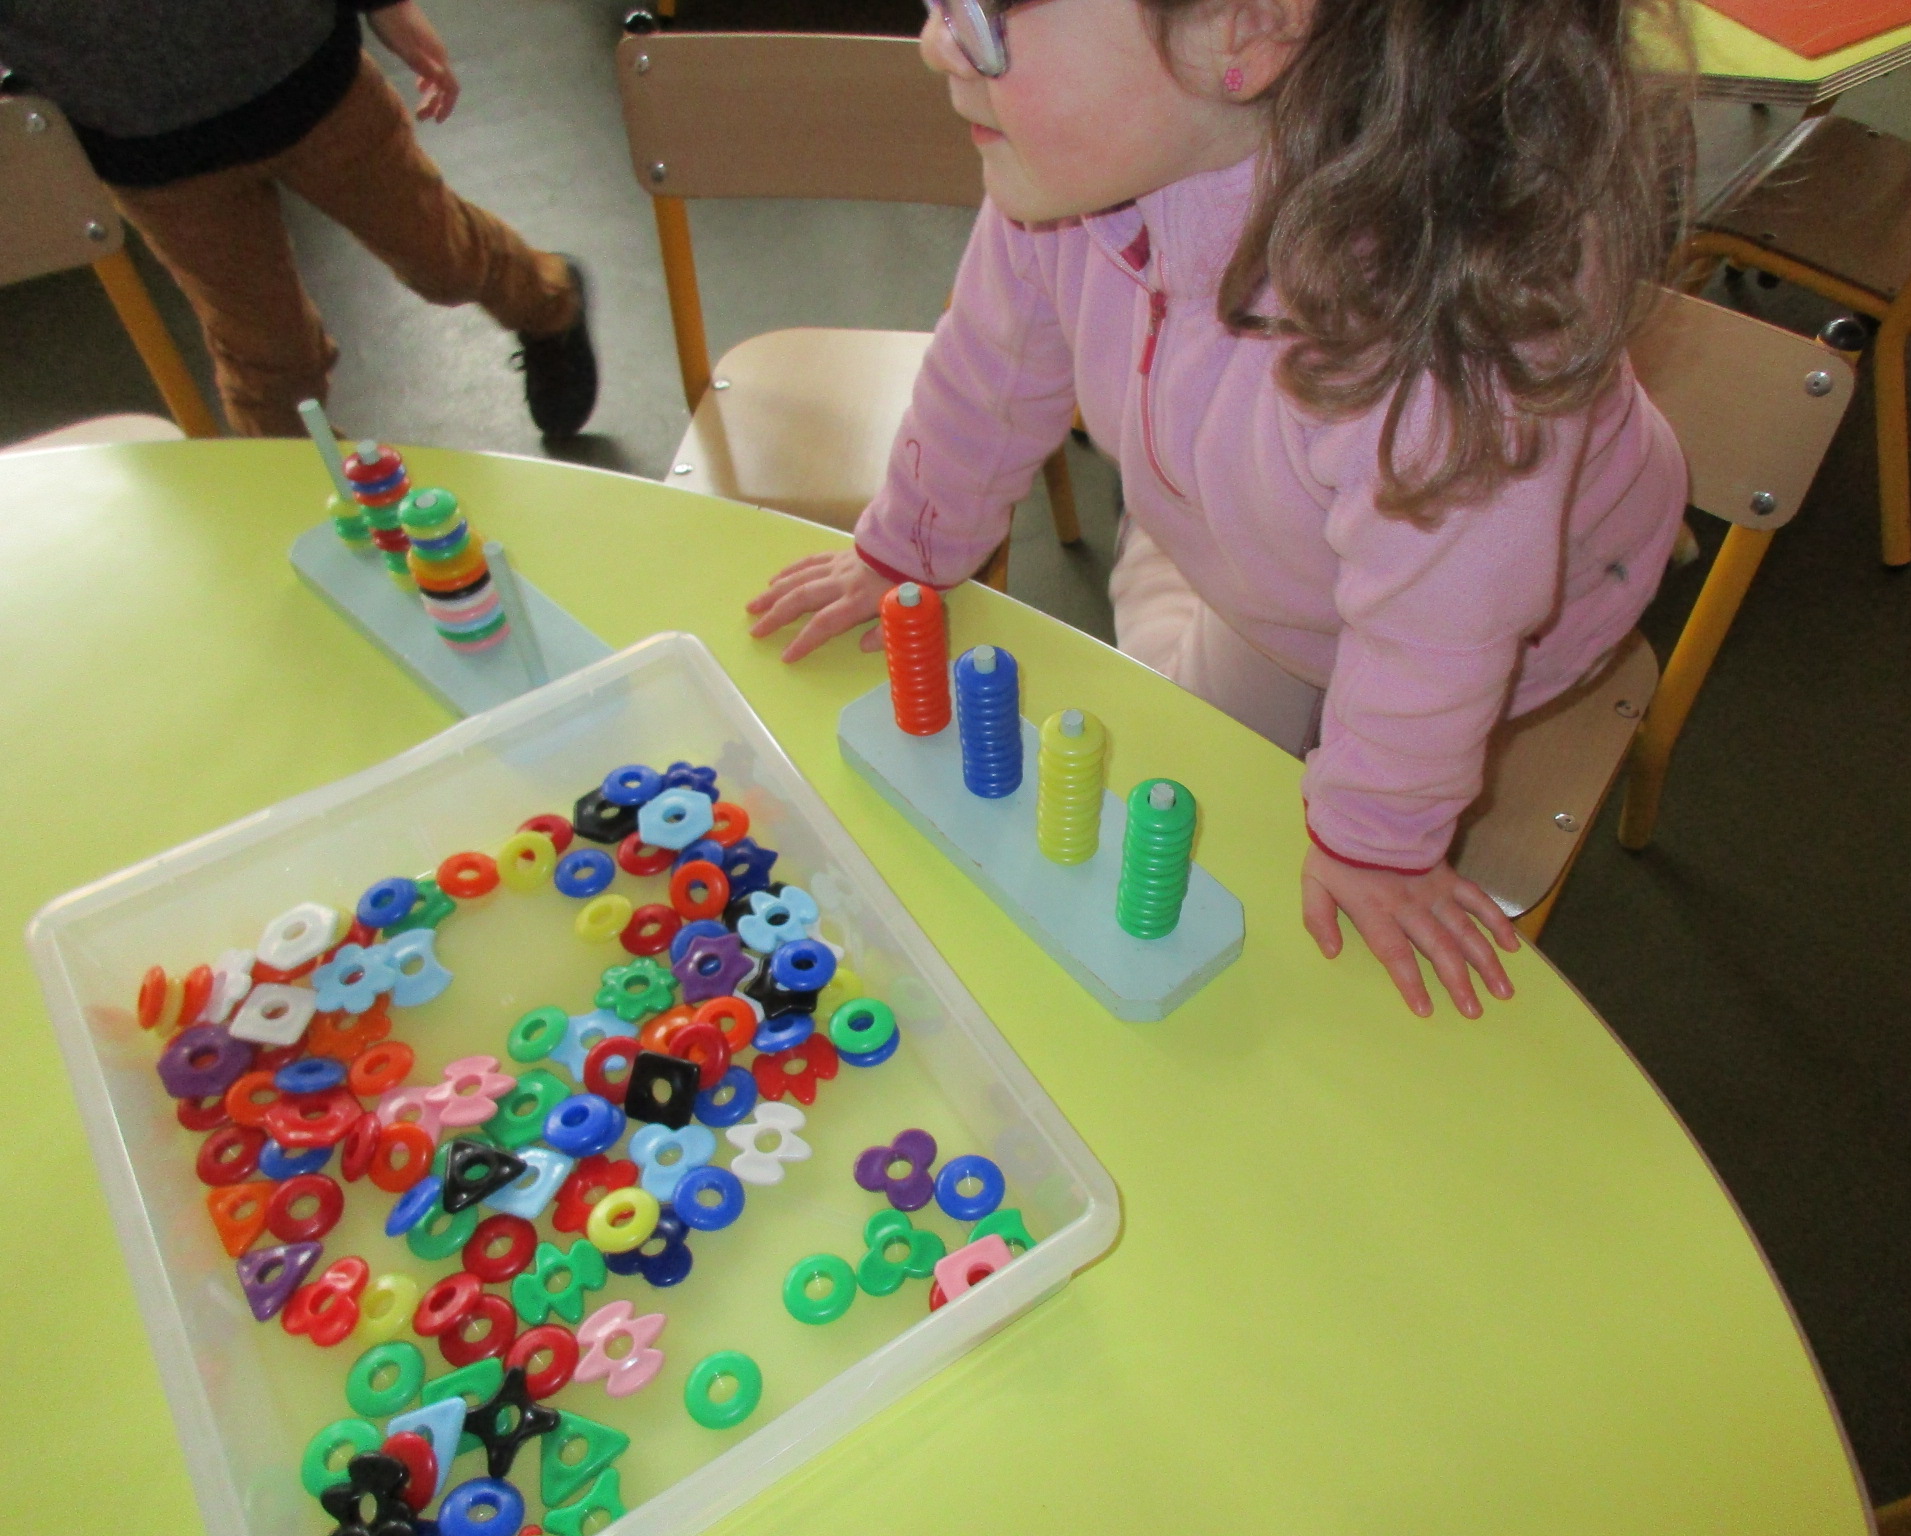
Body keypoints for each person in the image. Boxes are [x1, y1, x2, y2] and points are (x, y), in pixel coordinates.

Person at [746, 0, 1692, 1019]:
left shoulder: (1433, 336)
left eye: (986, 12)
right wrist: (905, 548)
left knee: (1228, 825)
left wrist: (1376, 842)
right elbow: (987, 375)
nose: (936, 42)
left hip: (1486, 609)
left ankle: (1186, 561)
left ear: (1245, 30)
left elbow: (1440, 634)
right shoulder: (1065, 174)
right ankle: (1176, 546)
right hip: (1271, 536)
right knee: (1181, 764)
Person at [0, 0, 597, 440]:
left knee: (442, 258)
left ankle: (548, 299)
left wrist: (387, 7)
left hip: (315, 90)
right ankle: (321, 501)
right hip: (153, 158)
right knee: (267, 358)